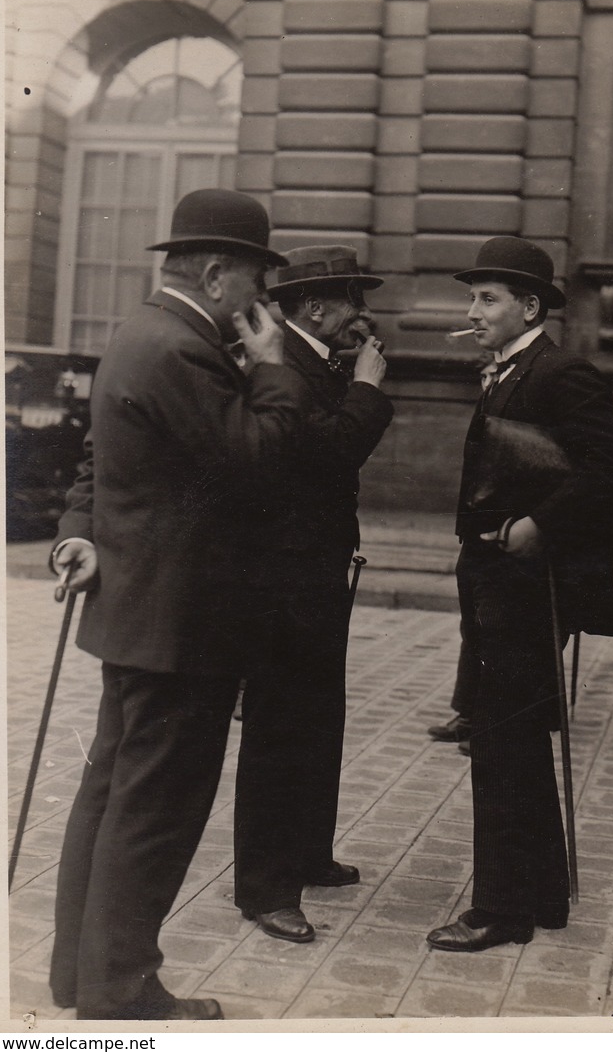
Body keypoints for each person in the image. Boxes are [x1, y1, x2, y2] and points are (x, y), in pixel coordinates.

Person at [47, 189, 311, 1020]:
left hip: (141, 613)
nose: (260, 300)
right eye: (255, 279)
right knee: (152, 815)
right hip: (182, 624)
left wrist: (78, 531)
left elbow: (107, 462)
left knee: (110, 797)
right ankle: (121, 992)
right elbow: (261, 461)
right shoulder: (185, 348)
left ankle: (80, 976)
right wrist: (274, 368)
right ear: (216, 270)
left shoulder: (140, 333)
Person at [426, 236, 613, 953]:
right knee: (511, 739)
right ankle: (542, 894)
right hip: (499, 583)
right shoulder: (511, 371)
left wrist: (540, 523)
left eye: (488, 298)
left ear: (529, 306)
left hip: (528, 586)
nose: (473, 310)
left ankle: (500, 910)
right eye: (473, 297)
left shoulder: (560, 372)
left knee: (501, 746)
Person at [233, 245, 394, 943]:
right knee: (280, 726)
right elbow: (329, 450)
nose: (363, 317)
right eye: (355, 301)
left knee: (319, 712)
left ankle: (306, 852)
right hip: (279, 577)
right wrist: (368, 388)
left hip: (314, 570)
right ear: (320, 307)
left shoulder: (311, 358)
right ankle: (266, 888)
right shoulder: (286, 365)